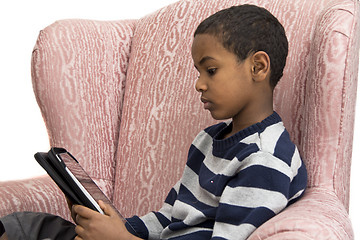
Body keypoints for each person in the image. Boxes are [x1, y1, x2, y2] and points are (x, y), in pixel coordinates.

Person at [0, 4, 307, 240]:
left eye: (210, 70)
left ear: (258, 66)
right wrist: (115, 226)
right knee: (26, 225)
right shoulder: (208, 141)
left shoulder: (265, 161)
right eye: (198, 72)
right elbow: (169, 216)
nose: (199, 84)